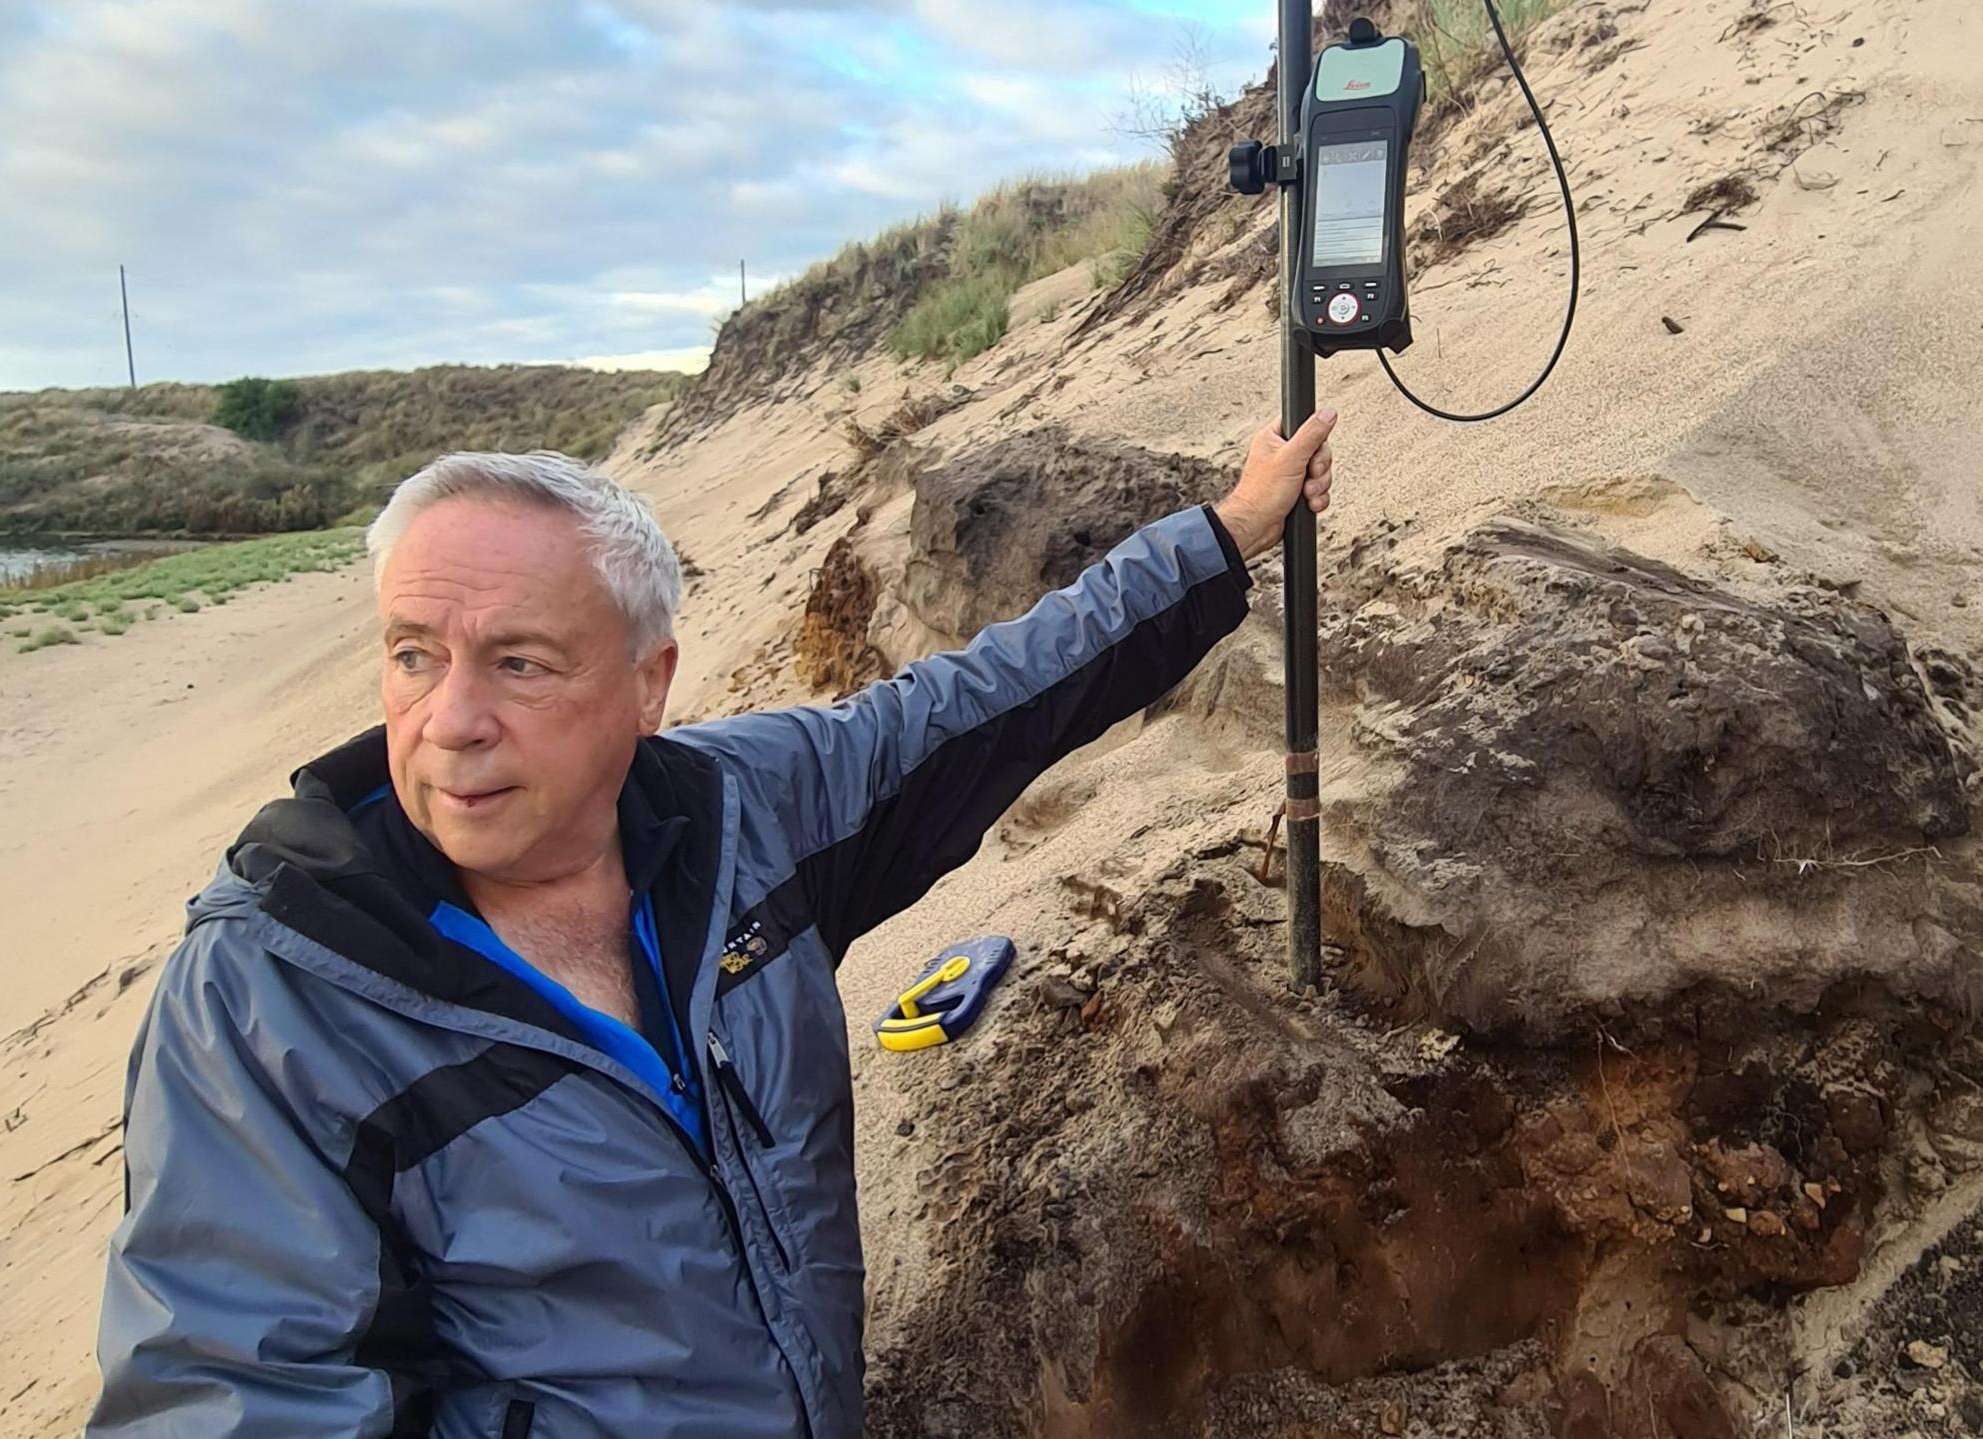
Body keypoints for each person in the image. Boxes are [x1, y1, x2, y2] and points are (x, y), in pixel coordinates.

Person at [87, 411, 1338, 1438]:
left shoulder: (748, 813)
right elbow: (237, 1396)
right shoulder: (272, 999)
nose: (451, 719)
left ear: (647, 683)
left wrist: (1219, 537)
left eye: (519, 662)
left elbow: (984, 702)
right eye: (415, 654)